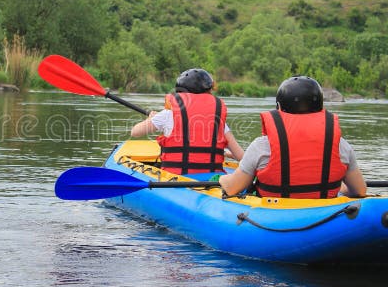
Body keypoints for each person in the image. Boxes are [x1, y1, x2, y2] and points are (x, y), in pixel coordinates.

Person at [219, 75, 366, 198]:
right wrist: (340, 189)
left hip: (275, 218)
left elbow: (232, 188)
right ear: (321, 107)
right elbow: (359, 191)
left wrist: (222, 179)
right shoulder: (341, 145)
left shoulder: (262, 145)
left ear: (279, 108)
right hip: (328, 215)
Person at [130, 68, 244, 177]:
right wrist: (223, 152)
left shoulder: (167, 114)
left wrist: (151, 119)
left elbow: (135, 132)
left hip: (176, 178)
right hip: (212, 180)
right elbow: (241, 157)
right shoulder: (217, 118)